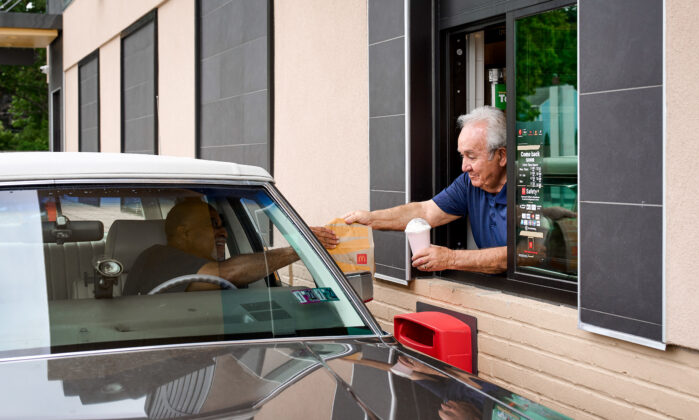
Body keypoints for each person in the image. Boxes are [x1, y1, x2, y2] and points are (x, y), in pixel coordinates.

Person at [344, 106, 508, 274]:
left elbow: (521, 255)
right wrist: (372, 219)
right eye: (462, 156)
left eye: (471, 157)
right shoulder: (468, 184)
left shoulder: (527, 192)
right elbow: (426, 212)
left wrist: (451, 259)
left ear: (501, 156)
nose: (464, 167)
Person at [123, 199, 338, 295]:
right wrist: (298, 248)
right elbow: (226, 274)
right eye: (213, 224)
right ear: (184, 232)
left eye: (224, 225)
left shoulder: (199, 263)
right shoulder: (159, 257)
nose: (224, 232)